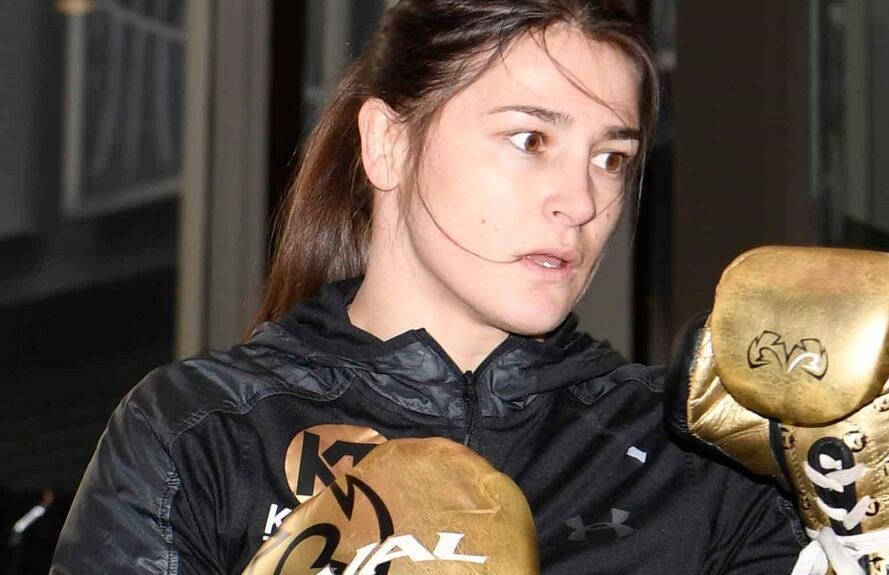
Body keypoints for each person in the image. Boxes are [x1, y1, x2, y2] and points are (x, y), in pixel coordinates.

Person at [52, 1, 802, 573]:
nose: (580, 200)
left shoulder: (692, 459)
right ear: (388, 143)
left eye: (610, 157)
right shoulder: (208, 432)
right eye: (530, 140)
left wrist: (888, 530)